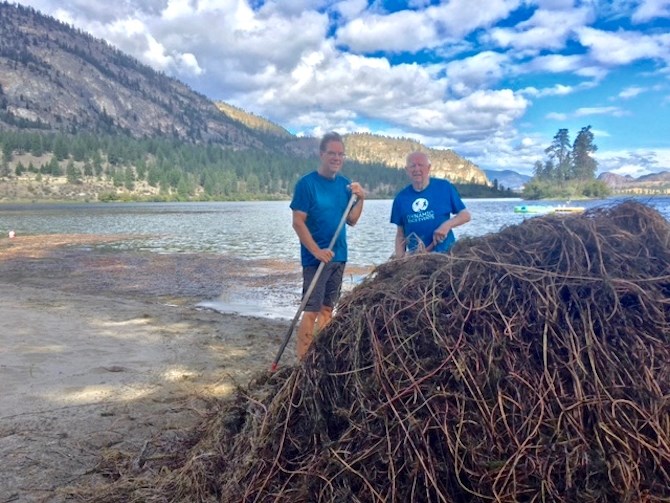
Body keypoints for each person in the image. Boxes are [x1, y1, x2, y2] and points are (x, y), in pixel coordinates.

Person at [290, 132, 365, 359]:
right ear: (322, 154)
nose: (336, 157)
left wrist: (361, 199)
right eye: (332, 153)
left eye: (340, 154)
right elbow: (298, 222)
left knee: (326, 310)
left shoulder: (345, 185)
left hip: (338, 255)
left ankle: (320, 356)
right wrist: (316, 251)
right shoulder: (307, 184)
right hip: (316, 259)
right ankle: (303, 361)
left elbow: (351, 220)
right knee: (311, 310)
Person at [391, 151, 471, 257]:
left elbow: (465, 215)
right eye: (412, 166)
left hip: (447, 254)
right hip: (417, 259)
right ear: (407, 170)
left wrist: (446, 225)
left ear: (428, 168)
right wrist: (399, 261)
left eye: (420, 165)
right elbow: (400, 235)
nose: (416, 169)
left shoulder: (444, 187)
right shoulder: (400, 199)